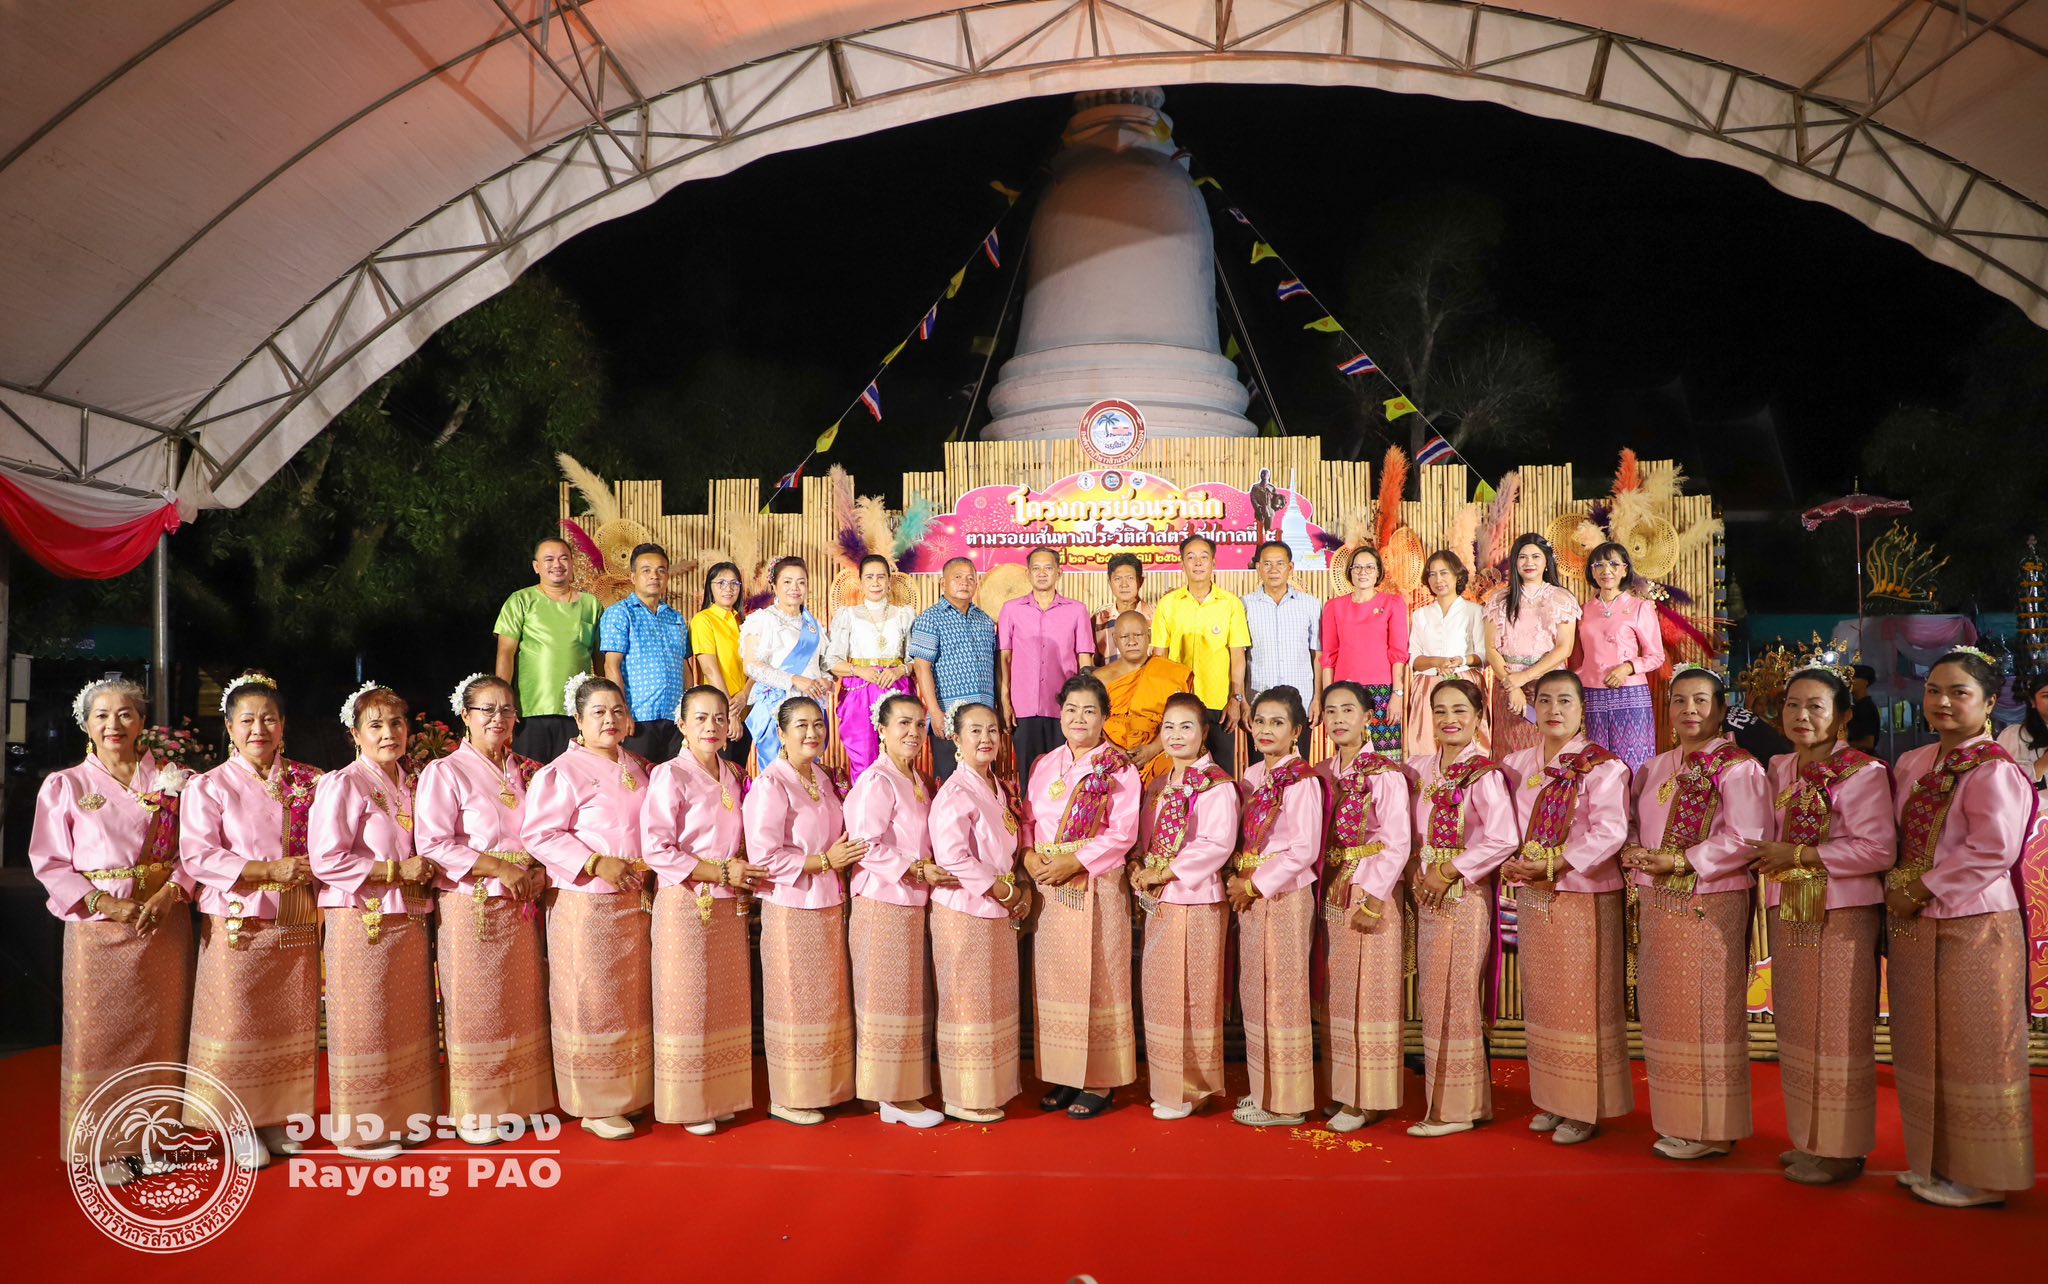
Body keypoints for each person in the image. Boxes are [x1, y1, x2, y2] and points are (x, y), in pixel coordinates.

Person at [1885, 648, 2036, 1208]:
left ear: (1990, 703)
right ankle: (1936, 1162)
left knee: (1977, 1046)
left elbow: (1992, 849)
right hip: (1915, 921)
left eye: (1959, 693)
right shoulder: (1913, 762)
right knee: (1925, 1045)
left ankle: (1985, 1178)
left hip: (1975, 922)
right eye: (1934, 691)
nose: (1943, 702)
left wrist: (1919, 890)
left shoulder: (1995, 769)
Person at [31, 678, 194, 1184]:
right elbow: (50, 862)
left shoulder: (176, 781)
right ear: (85, 725)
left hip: (164, 923)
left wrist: (172, 893)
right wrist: (105, 903)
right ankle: (101, 1146)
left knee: (163, 1033)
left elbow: (197, 850)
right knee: (100, 1036)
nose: (113, 724)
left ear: (142, 721)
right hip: (98, 928)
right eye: (101, 715)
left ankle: (155, 1136)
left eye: (125, 713)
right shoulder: (66, 785)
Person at [1746, 664, 1893, 1186]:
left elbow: (1878, 849)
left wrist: (1802, 854)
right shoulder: (1779, 767)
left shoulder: (1864, 772)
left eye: (1816, 706)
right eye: (1793, 705)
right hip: (1788, 907)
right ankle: (1810, 1137)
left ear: (1843, 716)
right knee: (1798, 1024)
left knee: (1837, 1028)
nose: (1802, 716)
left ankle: (1841, 1148)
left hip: (1841, 913)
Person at [1620, 666, 1768, 1160]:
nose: (1689, 710)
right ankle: (1681, 1119)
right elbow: (1635, 823)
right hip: (1659, 899)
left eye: (1701, 700)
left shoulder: (1739, 767)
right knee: (1669, 1010)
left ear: (1722, 709)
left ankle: (1714, 1128)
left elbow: (1747, 837)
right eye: (1679, 700)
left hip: (1710, 899)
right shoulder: (1655, 767)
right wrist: (1635, 849)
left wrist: (1683, 860)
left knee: (1708, 1011)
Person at [179, 673, 322, 1169]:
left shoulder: (311, 780)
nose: (258, 729)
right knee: (237, 1021)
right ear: (229, 727)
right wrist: (266, 871)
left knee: (289, 1019)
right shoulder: (209, 786)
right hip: (237, 917)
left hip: (295, 915)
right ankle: (237, 1122)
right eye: (247, 720)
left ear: (283, 725)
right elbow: (199, 855)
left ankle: (276, 1115)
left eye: (268, 719)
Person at [413, 673, 553, 1144]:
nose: (498, 718)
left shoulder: (526, 770)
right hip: (472, 900)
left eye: (506, 709)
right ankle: (476, 1110)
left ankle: (520, 1100)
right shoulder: (446, 771)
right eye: (486, 710)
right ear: (465, 716)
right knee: (478, 1004)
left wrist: (537, 868)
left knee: (521, 1001)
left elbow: (543, 832)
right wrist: (499, 867)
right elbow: (434, 843)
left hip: (522, 900)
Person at [1499, 670, 1632, 1145]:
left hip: (1583, 891)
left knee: (1584, 1001)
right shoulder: (1516, 763)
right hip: (1534, 891)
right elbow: (1505, 824)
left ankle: (1585, 1107)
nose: (1554, 710)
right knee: (1546, 1000)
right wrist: (1513, 860)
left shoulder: (1604, 767)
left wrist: (1557, 862)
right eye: (1545, 700)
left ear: (1582, 709)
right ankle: (1554, 1099)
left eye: (1565, 701)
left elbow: (1610, 831)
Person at [308, 682, 441, 1159]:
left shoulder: (411, 783)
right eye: (376, 725)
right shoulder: (343, 783)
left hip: (408, 916)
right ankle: (360, 1130)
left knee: (403, 1020)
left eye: (397, 723)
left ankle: (402, 1117)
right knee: (365, 1021)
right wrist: (394, 871)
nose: (389, 733)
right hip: (361, 915)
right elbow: (326, 858)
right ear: (355, 734)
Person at [522, 675, 655, 1142]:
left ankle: (630, 1091)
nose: (609, 719)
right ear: (578, 720)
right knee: (592, 999)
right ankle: (596, 1103)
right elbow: (539, 834)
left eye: (617, 710)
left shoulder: (637, 766)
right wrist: (596, 862)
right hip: (587, 901)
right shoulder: (562, 771)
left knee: (630, 998)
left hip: (635, 899)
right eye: (598, 712)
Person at [641, 685, 762, 1136]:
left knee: (724, 1000)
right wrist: (719, 872)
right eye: (701, 718)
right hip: (687, 898)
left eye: (720, 718)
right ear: (682, 725)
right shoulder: (670, 774)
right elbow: (657, 847)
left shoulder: (731, 773)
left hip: (727, 901)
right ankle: (689, 1101)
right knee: (687, 1000)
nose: (712, 726)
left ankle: (721, 1094)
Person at [1022, 673, 1142, 1119]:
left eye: (1089, 711)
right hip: (1049, 886)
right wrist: (1028, 856)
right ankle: (1066, 1073)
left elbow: (1123, 832)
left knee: (1098, 977)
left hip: (1095, 883)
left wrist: (1075, 862)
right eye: (1071, 709)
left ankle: (1099, 1080)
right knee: (1058, 980)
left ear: (1105, 717)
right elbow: (1028, 819)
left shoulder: (1119, 768)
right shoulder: (1044, 763)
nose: (1079, 718)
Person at [1407, 677, 1517, 1138]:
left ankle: (1455, 1109)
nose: (1449, 719)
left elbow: (1503, 837)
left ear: (1478, 718)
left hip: (1464, 897)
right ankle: (1462, 1102)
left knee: (1457, 997)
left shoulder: (1484, 774)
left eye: (1460, 711)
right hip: (1427, 896)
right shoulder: (1419, 769)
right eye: (1440, 711)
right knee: (1436, 997)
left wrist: (1450, 870)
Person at [744, 696, 861, 1125]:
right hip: (791, 903)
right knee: (794, 998)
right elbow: (763, 856)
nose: (812, 733)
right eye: (802, 726)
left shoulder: (823, 778)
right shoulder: (771, 785)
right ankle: (789, 1097)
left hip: (828, 902)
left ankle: (828, 1088)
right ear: (781, 733)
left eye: (818, 725)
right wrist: (825, 861)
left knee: (825, 999)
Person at [843, 693, 950, 1127]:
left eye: (920, 725)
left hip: (909, 900)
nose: (913, 732)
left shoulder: (916, 779)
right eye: (903, 723)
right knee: (886, 998)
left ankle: (893, 1091)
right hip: (882, 899)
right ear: (882, 730)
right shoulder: (878, 780)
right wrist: (917, 868)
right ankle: (892, 1097)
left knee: (905, 998)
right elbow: (865, 844)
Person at [1130, 692, 1238, 1120]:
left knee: (1194, 994)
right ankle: (1168, 1084)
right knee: (1162, 994)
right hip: (1160, 902)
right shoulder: (1159, 784)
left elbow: (1216, 844)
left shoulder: (1217, 784)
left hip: (1196, 899)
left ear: (1204, 733)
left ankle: (1193, 1089)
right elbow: (1145, 840)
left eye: (1186, 727)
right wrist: (1139, 865)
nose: (1176, 736)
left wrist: (1165, 873)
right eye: (1169, 727)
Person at [1315, 681, 1413, 1133]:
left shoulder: (1384, 773)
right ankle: (1345, 1091)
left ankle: (1368, 1099)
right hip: (1334, 889)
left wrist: (1373, 899)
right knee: (1340, 994)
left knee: (1370, 996)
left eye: (1348, 710)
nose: (1339, 719)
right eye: (1331, 711)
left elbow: (1396, 842)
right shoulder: (1322, 773)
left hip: (1370, 890)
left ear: (1368, 718)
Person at [926, 703, 1030, 1123]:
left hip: (995, 908)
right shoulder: (955, 791)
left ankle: (989, 1089)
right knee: (966, 1003)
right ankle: (963, 1096)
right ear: (956, 739)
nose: (986, 738)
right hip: (965, 909)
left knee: (992, 1003)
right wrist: (1002, 888)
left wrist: (1012, 886)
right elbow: (952, 857)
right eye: (975, 731)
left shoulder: (996, 786)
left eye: (992, 730)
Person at [1228, 686, 1324, 1128]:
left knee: (1283, 993)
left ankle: (1289, 1101)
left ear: (1297, 730)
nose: (1266, 730)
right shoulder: (1253, 774)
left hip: (1284, 895)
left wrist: (1255, 885)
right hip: (1252, 894)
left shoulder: (1302, 781)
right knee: (1257, 991)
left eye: (1277, 722)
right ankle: (1263, 1088)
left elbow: (1304, 849)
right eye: (1260, 721)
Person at [494, 536, 603, 763]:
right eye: (549, 559)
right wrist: (503, 703)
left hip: (577, 712)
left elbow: (600, 658)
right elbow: (505, 653)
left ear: (572, 563)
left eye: (563, 558)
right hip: (531, 710)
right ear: (536, 566)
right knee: (530, 775)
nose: (557, 564)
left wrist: (603, 703)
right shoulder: (521, 600)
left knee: (576, 774)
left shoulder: (591, 604)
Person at [600, 542, 708, 765]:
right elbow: (611, 666)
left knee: (673, 779)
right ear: (633, 577)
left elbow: (684, 668)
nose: (654, 576)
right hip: (638, 717)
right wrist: (622, 712)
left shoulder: (676, 618)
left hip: (674, 719)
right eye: (646, 570)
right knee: (637, 779)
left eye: (661, 571)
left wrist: (686, 714)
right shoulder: (620, 613)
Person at [1000, 546, 1098, 789]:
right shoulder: (1011, 610)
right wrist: (1005, 701)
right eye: (1036, 568)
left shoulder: (1077, 610)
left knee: (1064, 774)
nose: (1042, 573)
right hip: (1024, 708)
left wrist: (1085, 705)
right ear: (1027, 574)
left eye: (1048, 568)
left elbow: (1085, 660)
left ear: (1059, 572)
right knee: (1029, 776)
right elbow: (1005, 659)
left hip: (1065, 708)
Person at [1151, 535, 1250, 772]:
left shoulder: (1230, 604)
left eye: (1204, 557)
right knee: (1179, 771)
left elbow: (1237, 656)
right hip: (1178, 703)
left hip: (1219, 705)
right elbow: (1159, 658)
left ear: (1213, 563)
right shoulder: (1168, 604)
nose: (1198, 563)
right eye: (1191, 557)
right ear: (1182, 564)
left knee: (1220, 772)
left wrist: (1235, 698)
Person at [1484, 533, 1580, 757]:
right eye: (1522, 557)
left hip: (1548, 686)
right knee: (1508, 752)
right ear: (1515, 562)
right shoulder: (1499, 600)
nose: (1529, 563)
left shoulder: (1561, 598)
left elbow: (1564, 648)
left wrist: (1525, 677)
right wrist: (1513, 686)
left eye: (1536, 557)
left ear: (1546, 562)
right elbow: (1491, 649)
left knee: (1547, 749)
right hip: (1508, 684)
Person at [824, 554, 917, 784]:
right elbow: (832, 661)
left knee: (899, 756)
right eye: (869, 577)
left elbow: (916, 659)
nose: (875, 582)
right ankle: (865, 803)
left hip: (896, 688)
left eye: (881, 577)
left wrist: (899, 670)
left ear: (889, 581)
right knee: (863, 757)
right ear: (861, 582)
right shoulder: (848, 615)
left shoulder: (904, 614)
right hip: (860, 691)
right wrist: (859, 670)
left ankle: (901, 803)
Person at [1574, 542, 1666, 769]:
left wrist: (1627, 667)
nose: (1606, 570)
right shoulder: (1582, 611)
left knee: (1634, 762)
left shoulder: (1640, 607)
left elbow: (1656, 656)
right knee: (1596, 764)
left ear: (1625, 570)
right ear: (1592, 572)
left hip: (1631, 694)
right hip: (1592, 695)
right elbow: (1576, 658)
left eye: (1614, 564)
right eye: (1599, 565)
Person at [909, 557, 999, 781]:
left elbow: (995, 667)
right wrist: (935, 712)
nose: (964, 582)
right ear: (943, 583)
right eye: (957, 577)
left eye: (970, 578)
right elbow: (921, 668)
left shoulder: (985, 621)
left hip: (984, 719)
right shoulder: (930, 619)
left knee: (984, 781)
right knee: (951, 781)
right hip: (950, 717)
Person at [740, 557, 829, 772]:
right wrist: (793, 679)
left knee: (807, 771)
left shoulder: (813, 624)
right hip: (776, 706)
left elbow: (823, 665)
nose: (795, 588)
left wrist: (825, 680)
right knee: (778, 771)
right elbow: (751, 665)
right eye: (787, 582)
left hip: (809, 706)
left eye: (801, 582)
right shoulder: (762, 620)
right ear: (774, 585)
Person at [1321, 545, 1410, 759]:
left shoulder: (1393, 603)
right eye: (1357, 567)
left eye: (1369, 567)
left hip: (1382, 693)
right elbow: (1329, 657)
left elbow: (1398, 653)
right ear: (1350, 571)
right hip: (1345, 693)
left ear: (1378, 572)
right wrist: (1327, 700)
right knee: (1348, 754)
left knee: (1385, 759)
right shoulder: (1334, 606)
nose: (1363, 572)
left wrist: (1397, 694)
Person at [1405, 550, 1488, 761]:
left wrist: (1462, 660)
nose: (1438, 580)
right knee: (1425, 747)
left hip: (1465, 683)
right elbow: (1414, 659)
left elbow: (1483, 655)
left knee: (1468, 746)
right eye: (1432, 574)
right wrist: (1435, 662)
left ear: (1457, 576)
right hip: (1427, 686)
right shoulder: (1420, 614)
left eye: (1444, 573)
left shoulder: (1474, 611)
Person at [1095, 609, 1193, 785]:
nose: (1132, 642)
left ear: (1149, 636)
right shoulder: (1100, 678)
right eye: (1124, 637)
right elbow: (1093, 723)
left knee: (1177, 771)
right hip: (1111, 751)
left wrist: (1153, 749)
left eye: (1138, 635)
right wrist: (1114, 751)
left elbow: (1183, 720)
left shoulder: (1171, 673)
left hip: (1160, 750)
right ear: (1115, 639)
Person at [1244, 541, 1323, 759]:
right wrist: (1241, 700)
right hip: (1259, 702)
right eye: (1267, 563)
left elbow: (1318, 655)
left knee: (1299, 767)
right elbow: (1239, 657)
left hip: (1301, 703)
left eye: (1280, 563)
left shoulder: (1310, 604)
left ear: (1290, 567)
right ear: (1258, 567)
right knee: (1262, 767)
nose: (1273, 569)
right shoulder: (1244, 605)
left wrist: (1318, 698)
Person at [689, 561, 752, 767]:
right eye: (721, 583)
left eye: (734, 583)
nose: (728, 588)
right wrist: (729, 714)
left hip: (746, 711)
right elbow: (709, 669)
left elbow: (757, 667)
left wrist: (744, 695)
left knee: (739, 773)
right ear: (710, 587)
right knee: (720, 774)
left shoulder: (744, 623)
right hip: (719, 713)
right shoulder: (703, 620)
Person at [1091, 552, 1153, 656]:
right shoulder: (1098, 621)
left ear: (1140, 581)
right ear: (1110, 582)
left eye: (1130, 578)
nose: (1124, 585)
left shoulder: (1156, 616)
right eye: (1118, 579)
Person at [1996, 673, 2048, 785]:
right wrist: (2043, 763)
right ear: (2032, 701)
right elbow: (2002, 781)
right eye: (2046, 696)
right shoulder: (2013, 735)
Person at [1846, 663, 1881, 753]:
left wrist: (1842, 745)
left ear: (1865, 682)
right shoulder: (1856, 706)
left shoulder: (1866, 707)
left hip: (1863, 757)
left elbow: (1868, 743)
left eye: (1854, 678)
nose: (1850, 681)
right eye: (1848, 678)